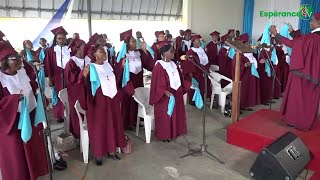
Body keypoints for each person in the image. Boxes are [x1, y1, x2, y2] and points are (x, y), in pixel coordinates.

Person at [0, 40, 49, 180]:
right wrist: (13, 100)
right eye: (14, 58)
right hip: (12, 124)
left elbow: (32, 85)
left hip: (30, 117)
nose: (19, 61)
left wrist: (37, 90)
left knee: (32, 150)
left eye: (19, 57)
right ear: (4, 61)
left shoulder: (23, 71)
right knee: (17, 156)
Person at [270, 12, 320, 131]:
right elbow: (302, 42)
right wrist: (293, 32)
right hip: (314, 74)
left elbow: (294, 44)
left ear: (318, 22)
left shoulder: (312, 38)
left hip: (303, 73)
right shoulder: (313, 38)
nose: (310, 22)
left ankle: (297, 121)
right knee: (310, 99)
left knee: (298, 97)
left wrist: (276, 34)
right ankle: (307, 122)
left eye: (312, 20)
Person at [81, 45, 126, 166]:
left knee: (113, 125)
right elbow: (86, 87)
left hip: (112, 101)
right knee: (99, 127)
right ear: (95, 55)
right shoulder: (91, 67)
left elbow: (115, 79)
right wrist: (84, 77)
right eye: (101, 52)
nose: (105, 53)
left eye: (104, 51)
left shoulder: (108, 65)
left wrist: (121, 67)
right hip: (98, 103)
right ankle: (98, 154)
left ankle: (111, 151)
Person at [149, 42, 191, 142]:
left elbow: (180, 78)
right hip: (165, 95)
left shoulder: (173, 64)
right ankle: (164, 135)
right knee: (165, 115)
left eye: (173, 51)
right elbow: (157, 83)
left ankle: (176, 131)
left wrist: (188, 84)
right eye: (171, 51)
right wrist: (164, 91)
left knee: (176, 113)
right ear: (164, 53)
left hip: (177, 92)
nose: (173, 53)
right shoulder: (159, 66)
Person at [116, 29, 154, 129]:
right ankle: (127, 122)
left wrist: (146, 51)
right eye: (133, 42)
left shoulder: (139, 52)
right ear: (127, 44)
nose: (135, 43)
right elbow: (117, 69)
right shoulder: (122, 54)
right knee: (128, 101)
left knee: (139, 100)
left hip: (138, 80)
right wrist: (122, 66)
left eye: (134, 41)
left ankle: (137, 120)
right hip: (128, 82)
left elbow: (149, 65)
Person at [44, 26, 71, 123]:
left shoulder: (69, 49)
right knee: (59, 95)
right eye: (59, 38)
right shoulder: (51, 50)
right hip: (57, 76)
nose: (61, 40)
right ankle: (60, 115)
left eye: (63, 38)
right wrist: (50, 79)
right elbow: (48, 66)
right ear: (55, 39)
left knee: (68, 94)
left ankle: (68, 113)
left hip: (68, 76)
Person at [64, 38, 89, 139]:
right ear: (78, 49)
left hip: (86, 90)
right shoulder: (70, 63)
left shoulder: (86, 60)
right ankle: (78, 134)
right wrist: (83, 73)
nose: (86, 49)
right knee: (77, 112)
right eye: (84, 47)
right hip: (76, 92)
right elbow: (72, 80)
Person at [232, 34, 261, 111]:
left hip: (249, 74)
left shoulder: (249, 52)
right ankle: (238, 108)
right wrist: (245, 65)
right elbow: (236, 65)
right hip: (243, 76)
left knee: (248, 91)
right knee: (242, 91)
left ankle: (246, 105)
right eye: (247, 43)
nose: (249, 44)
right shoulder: (239, 54)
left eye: (249, 43)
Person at [183, 35, 210, 104]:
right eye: (197, 41)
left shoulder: (202, 50)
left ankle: (202, 100)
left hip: (203, 72)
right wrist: (191, 75)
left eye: (200, 41)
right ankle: (194, 102)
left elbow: (206, 61)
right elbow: (188, 65)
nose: (199, 43)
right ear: (193, 42)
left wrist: (206, 69)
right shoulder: (190, 52)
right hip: (195, 73)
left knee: (203, 87)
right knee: (196, 87)